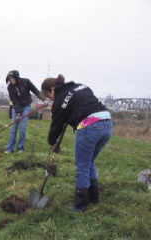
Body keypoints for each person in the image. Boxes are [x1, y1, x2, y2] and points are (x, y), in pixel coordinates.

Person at [41, 74, 112, 212]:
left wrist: (52, 142)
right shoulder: (80, 86)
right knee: (89, 161)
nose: (51, 99)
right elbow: (83, 104)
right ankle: (94, 197)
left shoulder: (60, 100)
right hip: (107, 124)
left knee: (82, 166)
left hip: (90, 127)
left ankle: (80, 205)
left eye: (49, 96)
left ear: (52, 89)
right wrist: (71, 114)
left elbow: (56, 125)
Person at [5, 70, 43, 153]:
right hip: (16, 108)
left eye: (11, 79)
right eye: (9, 80)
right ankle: (9, 148)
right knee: (13, 129)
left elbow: (35, 90)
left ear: (16, 77)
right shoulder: (10, 88)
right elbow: (14, 101)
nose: (10, 81)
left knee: (22, 129)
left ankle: (20, 148)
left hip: (26, 107)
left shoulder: (26, 82)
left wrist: (42, 98)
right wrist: (18, 114)